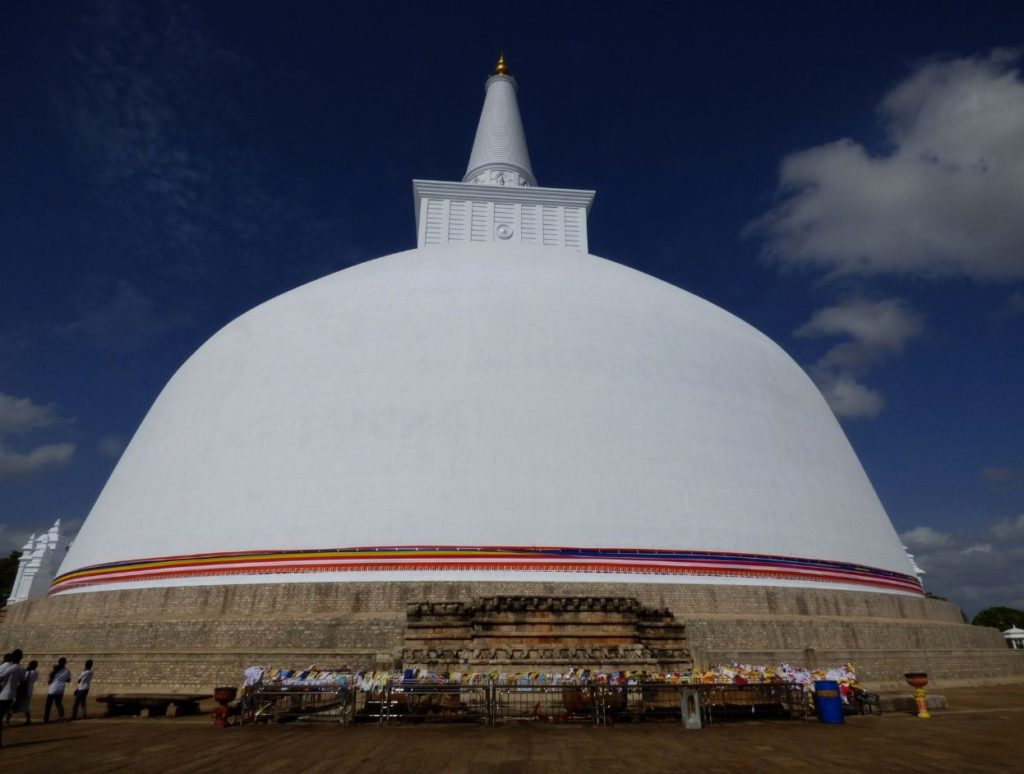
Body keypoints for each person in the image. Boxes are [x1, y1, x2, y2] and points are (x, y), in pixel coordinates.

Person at [0, 649, 26, 748]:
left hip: (3, 696)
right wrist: (18, 699)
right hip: (11, 696)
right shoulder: (22, 670)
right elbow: (22, 685)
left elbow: (1, 679)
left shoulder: (11, 668)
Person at [7, 659, 38, 726]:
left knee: (16, 704)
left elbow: (23, 680)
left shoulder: (28, 672)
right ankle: (28, 720)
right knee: (24, 705)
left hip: (24, 691)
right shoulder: (35, 672)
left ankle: (8, 719)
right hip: (28, 691)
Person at [44, 657, 72, 723]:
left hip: (53, 688)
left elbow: (50, 677)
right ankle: (62, 716)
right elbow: (68, 680)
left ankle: (46, 718)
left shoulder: (55, 670)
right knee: (58, 703)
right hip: (61, 689)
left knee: (48, 704)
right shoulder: (67, 670)